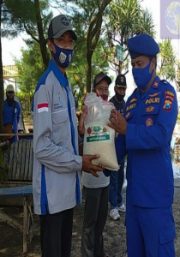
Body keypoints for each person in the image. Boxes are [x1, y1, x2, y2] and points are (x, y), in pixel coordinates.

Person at [32, 14, 102, 257]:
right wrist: (78, 162)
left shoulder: (65, 86)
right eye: (61, 41)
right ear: (50, 45)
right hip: (51, 198)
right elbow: (41, 147)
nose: (67, 47)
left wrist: (88, 152)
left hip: (68, 196)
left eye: (70, 42)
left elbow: (68, 139)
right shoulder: (45, 87)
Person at [108, 33, 178, 257]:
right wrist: (101, 142)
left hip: (156, 196)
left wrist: (127, 130)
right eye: (133, 64)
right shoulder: (132, 101)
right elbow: (122, 147)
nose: (136, 69)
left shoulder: (166, 93)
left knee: (158, 251)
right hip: (135, 197)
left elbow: (161, 135)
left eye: (140, 64)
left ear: (153, 63)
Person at [79, 72, 112, 257]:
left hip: (105, 177)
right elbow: (82, 130)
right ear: (94, 91)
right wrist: (83, 116)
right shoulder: (89, 108)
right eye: (100, 89)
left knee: (101, 223)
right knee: (90, 224)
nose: (104, 92)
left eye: (106, 89)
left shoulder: (109, 109)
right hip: (91, 177)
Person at [108, 74, 127, 221]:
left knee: (121, 176)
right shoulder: (110, 104)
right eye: (119, 88)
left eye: (124, 88)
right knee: (113, 177)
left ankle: (119, 201)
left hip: (123, 145)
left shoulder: (125, 104)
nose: (121, 91)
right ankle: (113, 206)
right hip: (111, 145)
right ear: (115, 88)